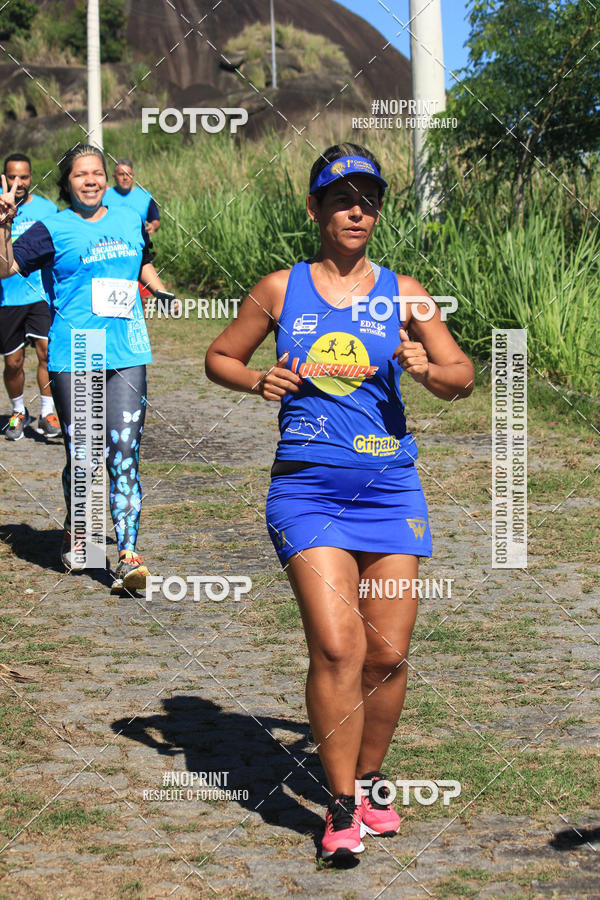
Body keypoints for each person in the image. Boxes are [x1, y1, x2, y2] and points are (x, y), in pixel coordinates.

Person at [205, 143, 474, 864]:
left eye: (370, 199)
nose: (358, 210)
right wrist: (255, 380)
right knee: (338, 645)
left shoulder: (405, 290)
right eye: (343, 197)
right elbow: (218, 357)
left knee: (386, 656)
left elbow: (462, 373)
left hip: (390, 488)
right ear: (316, 208)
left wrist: (429, 370)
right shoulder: (278, 288)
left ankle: (373, 779)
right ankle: (341, 804)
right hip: (308, 489)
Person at [0, 144, 174, 593]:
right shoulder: (51, 228)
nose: (92, 180)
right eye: (81, 175)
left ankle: (128, 554)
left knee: (124, 452)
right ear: (67, 182)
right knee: (85, 456)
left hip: (128, 349)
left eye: (97, 172)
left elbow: (143, 259)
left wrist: (160, 288)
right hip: (77, 348)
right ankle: (80, 527)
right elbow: (7, 266)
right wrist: (2, 225)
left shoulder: (128, 219)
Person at [0, 153, 59, 440]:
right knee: (13, 363)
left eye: (24, 177)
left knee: (47, 353)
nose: (18, 182)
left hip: (40, 295)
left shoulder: (49, 210)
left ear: (32, 177)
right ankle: (18, 411)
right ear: (4, 178)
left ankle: (48, 413)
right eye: (12, 177)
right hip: (7, 298)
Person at [104, 158, 161, 235]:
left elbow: (155, 220)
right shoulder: (104, 196)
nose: (125, 178)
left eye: (128, 174)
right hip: (111, 243)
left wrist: (153, 226)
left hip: (140, 244)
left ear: (133, 176)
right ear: (114, 176)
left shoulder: (145, 196)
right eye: (121, 174)